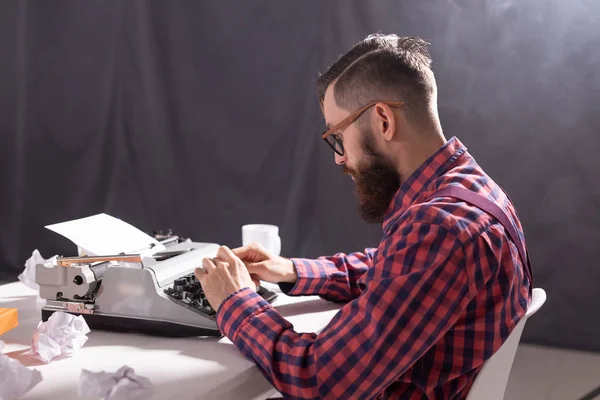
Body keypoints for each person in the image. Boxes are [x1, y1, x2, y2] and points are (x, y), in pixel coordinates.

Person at [195, 33, 533, 400]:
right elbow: (397, 269)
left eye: (338, 137)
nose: (340, 158)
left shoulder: (441, 228)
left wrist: (236, 301)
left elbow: (318, 378)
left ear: (383, 120)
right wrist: (293, 271)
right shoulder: (471, 193)